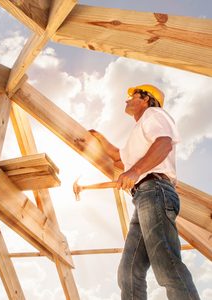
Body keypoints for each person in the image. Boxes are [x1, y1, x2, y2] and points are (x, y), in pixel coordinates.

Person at [79, 84, 200, 299]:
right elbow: (118, 157)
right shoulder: (138, 134)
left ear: (146, 99)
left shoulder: (154, 114)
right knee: (129, 271)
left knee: (166, 263)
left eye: (132, 96)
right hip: (143, 197)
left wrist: (135, 171)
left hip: (155, 190)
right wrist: (97, 136)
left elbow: (164, 143)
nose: (126, 100)